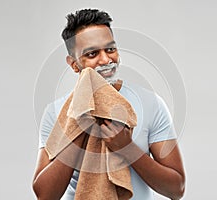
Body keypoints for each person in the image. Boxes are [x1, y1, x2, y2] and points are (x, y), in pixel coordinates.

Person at [32, 8, 185, 200]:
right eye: (92, 54)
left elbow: (176, 189)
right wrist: (80, 127)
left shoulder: (150, 104)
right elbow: (44, 195)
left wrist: (127, 148)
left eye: (110, 49)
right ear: (74, 64)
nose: (105, 60)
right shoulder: (56, 112)